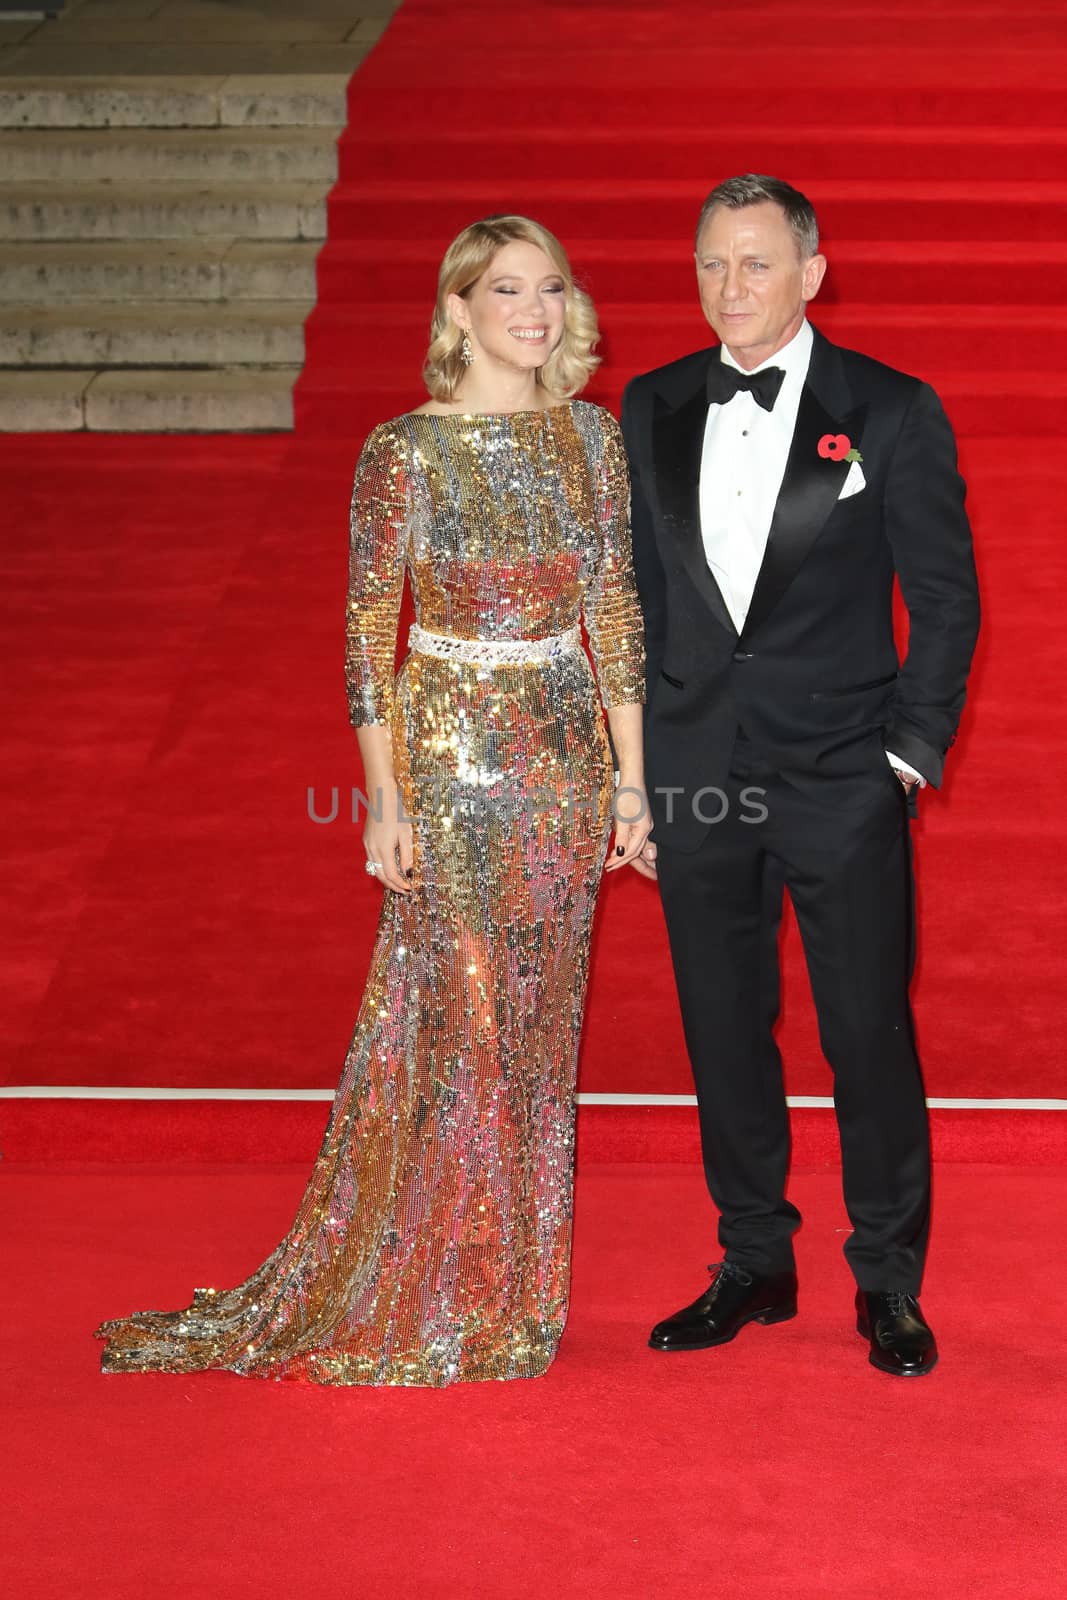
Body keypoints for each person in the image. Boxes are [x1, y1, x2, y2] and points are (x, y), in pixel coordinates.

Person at [95, 215, 648, 1387]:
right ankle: (431, 1289)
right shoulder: (402, 452)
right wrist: (381, 800)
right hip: (447, 751)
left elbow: (613, 617)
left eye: (549, 287)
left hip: (560, 758)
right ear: (456, 311)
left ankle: (511, 1300)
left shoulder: (592, 441)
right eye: (506, 290)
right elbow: (363, 635)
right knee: (462, 1021)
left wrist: (634, 783)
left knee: (541, 1034)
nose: (535, 312)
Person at [621, 175, 979, 1377]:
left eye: (757, 262)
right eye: (712, 264)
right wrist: (640, 771)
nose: (731, 288)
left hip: (840, 773)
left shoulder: (888, 408)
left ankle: (885, 1280)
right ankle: (752, 1262)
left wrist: (906, 753)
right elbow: (642, 596)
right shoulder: (654, 401)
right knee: (724, 1028)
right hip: (697, 771)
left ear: (811, 272)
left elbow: (941, 598)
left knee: (863, 1033)